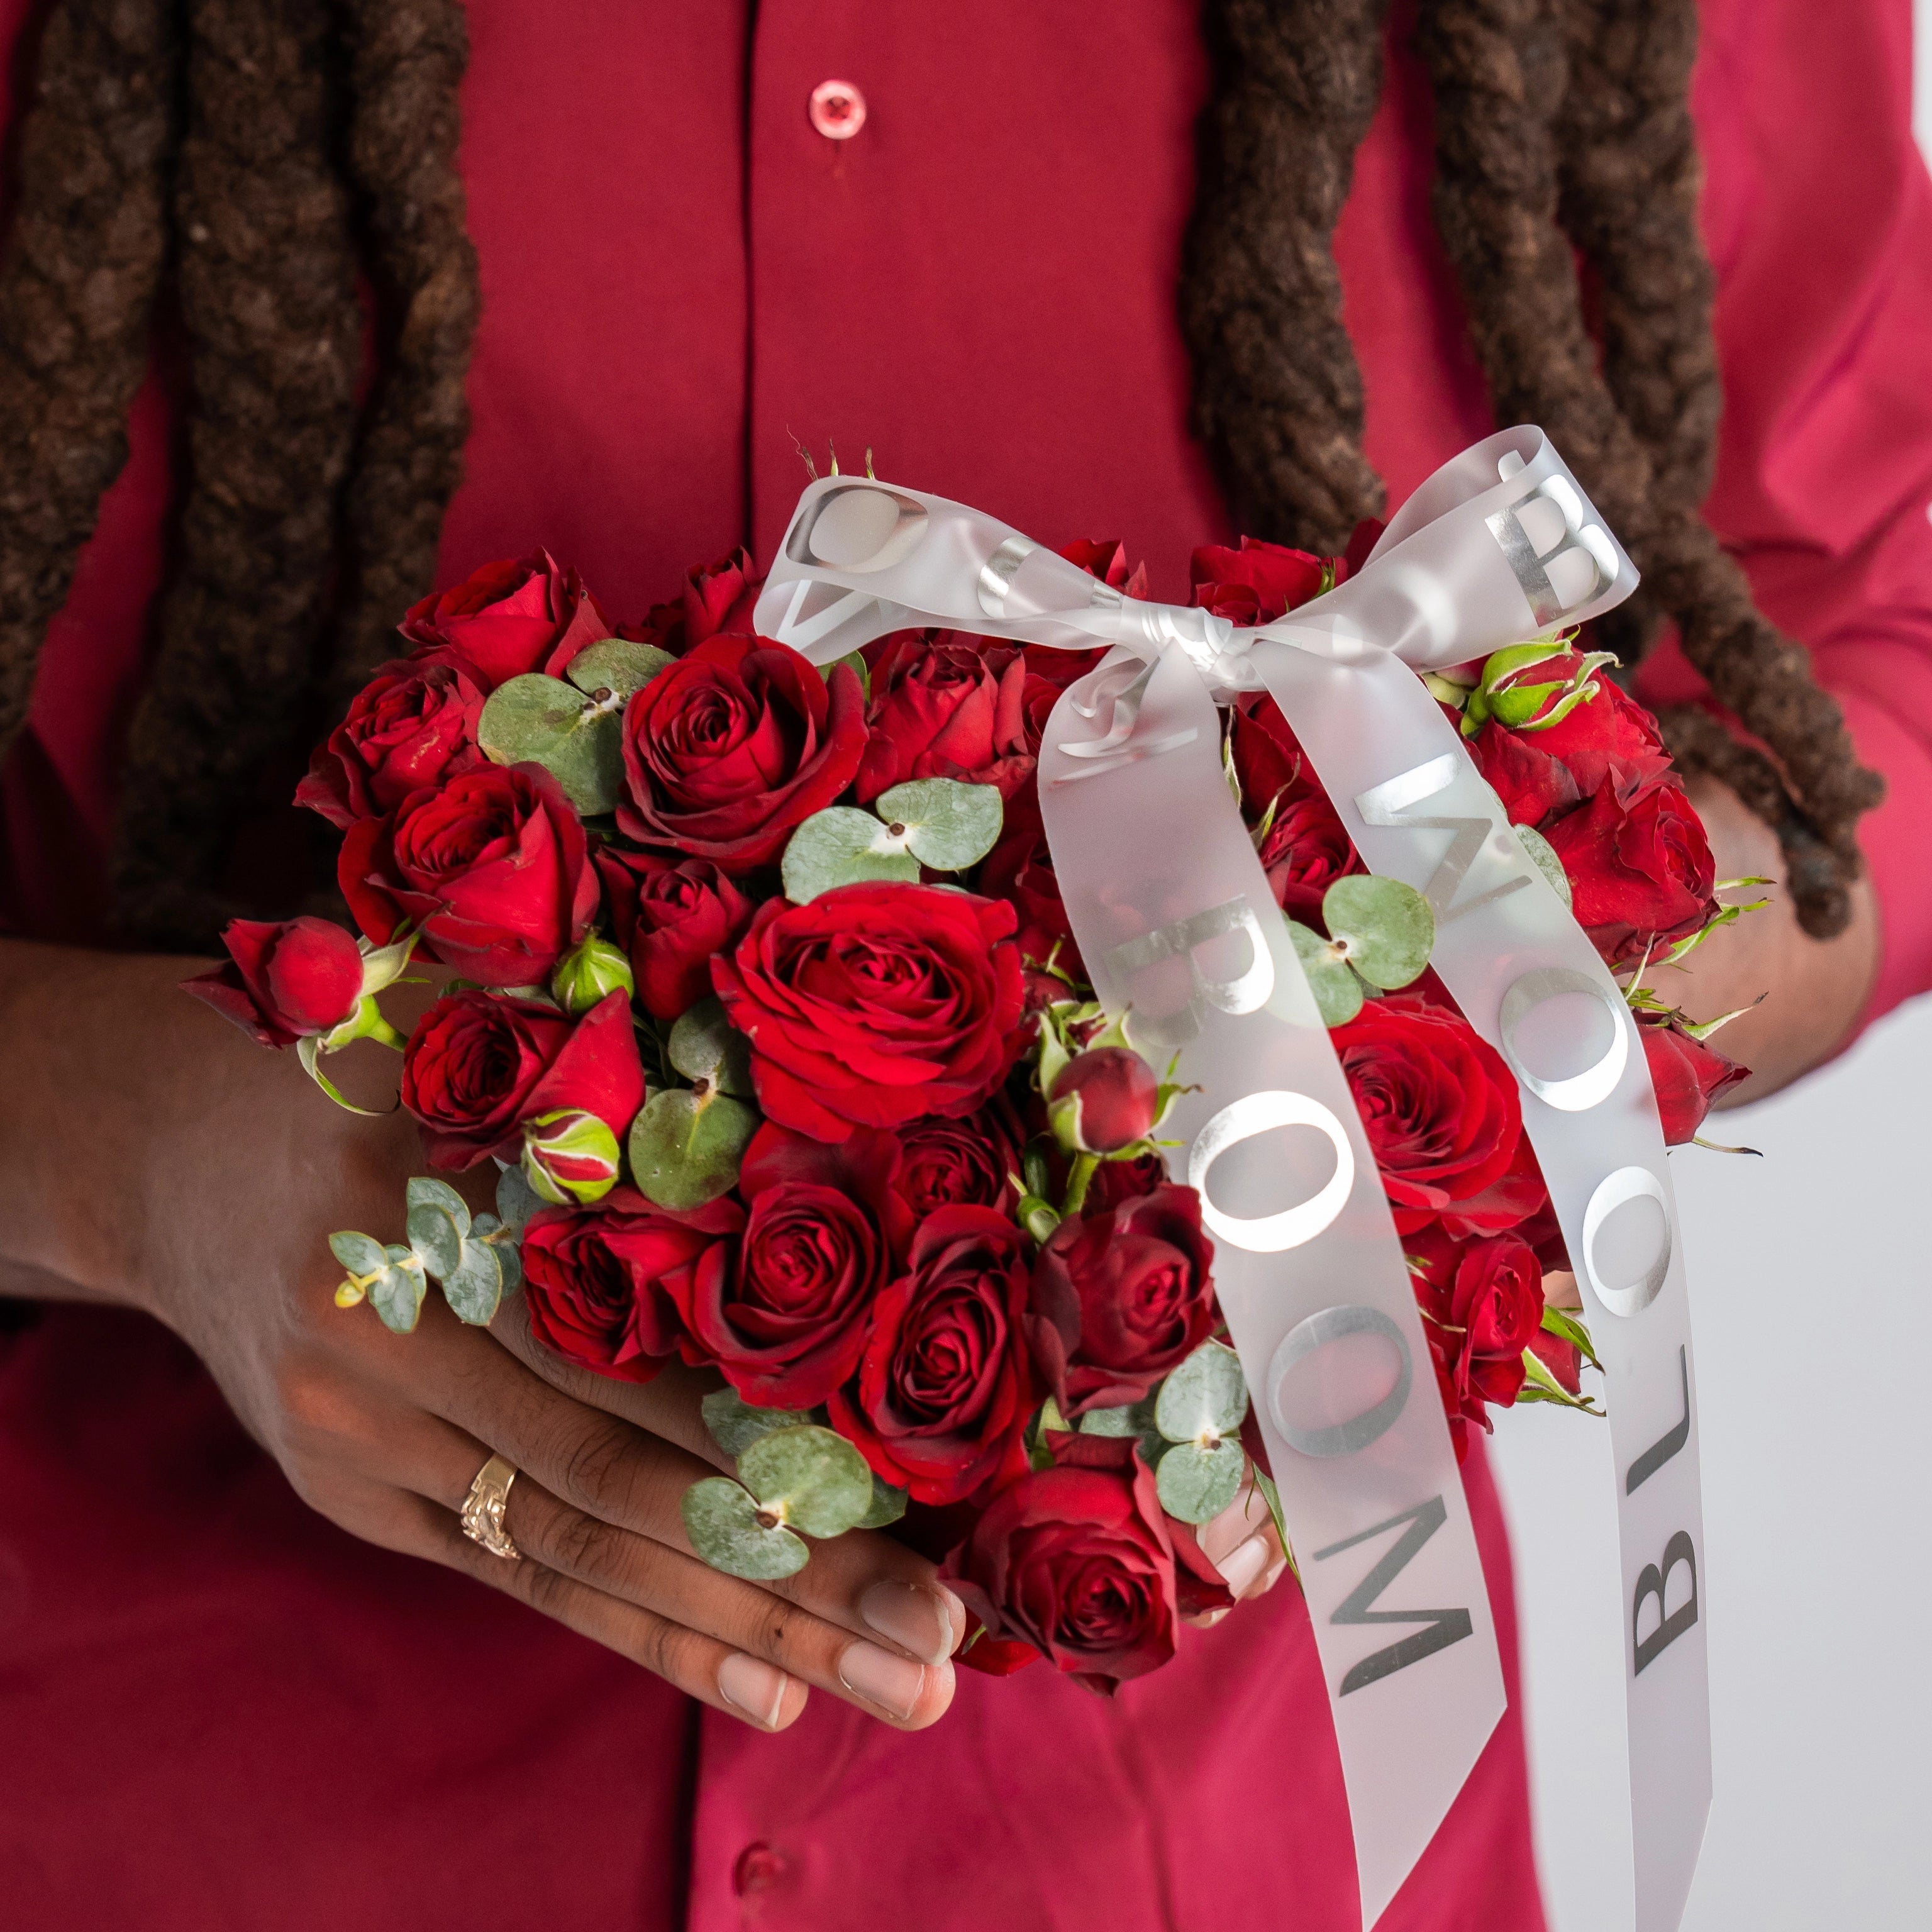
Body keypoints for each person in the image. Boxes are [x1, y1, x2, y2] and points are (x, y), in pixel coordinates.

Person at [2, 1, 1927, 1927]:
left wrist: (1493, 971)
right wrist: (131, 1150)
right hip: (193, 1794)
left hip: (1218, 1840)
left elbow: (1887, 645)